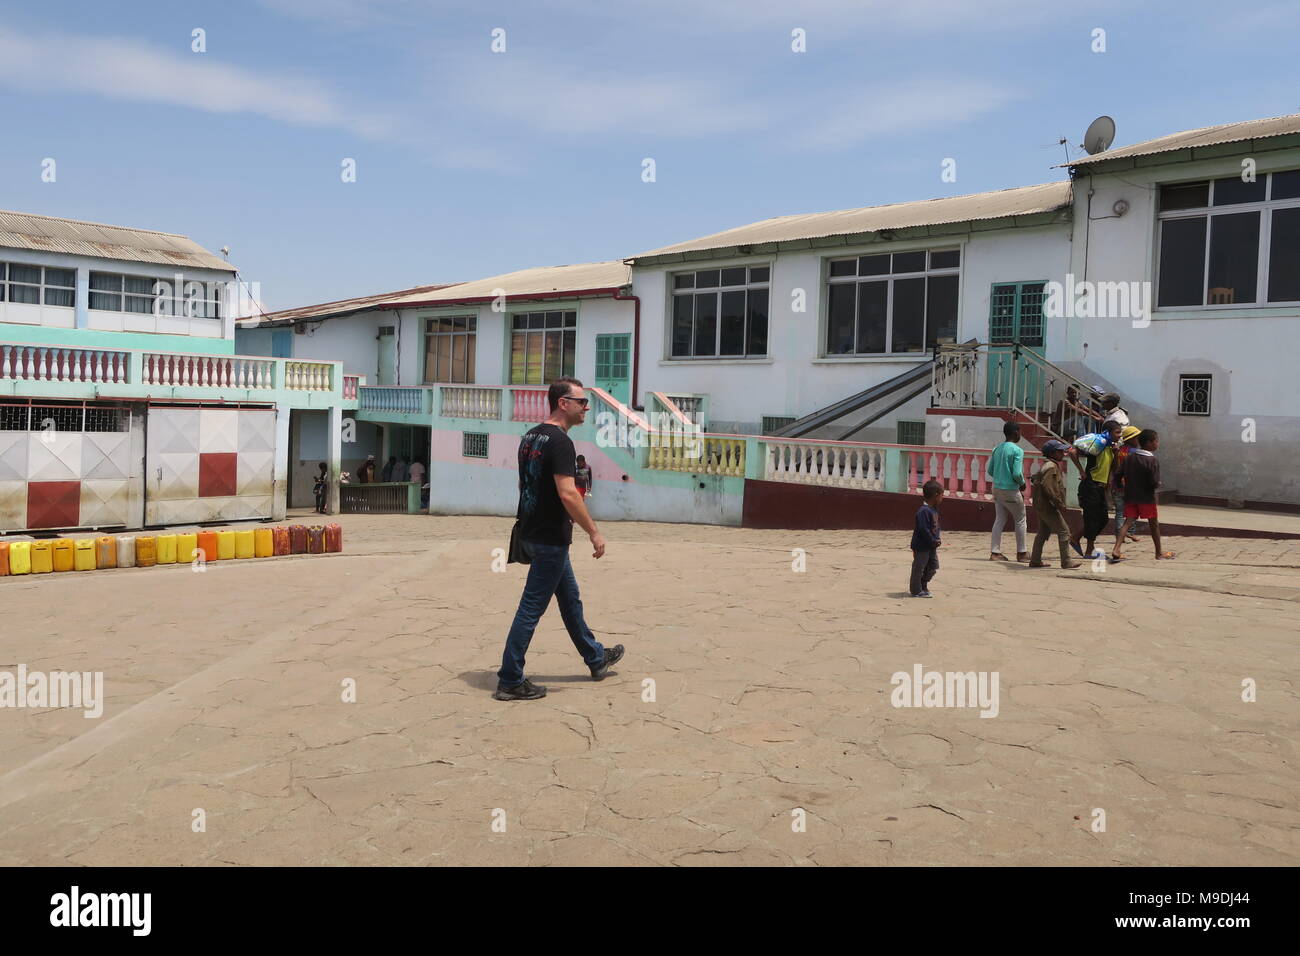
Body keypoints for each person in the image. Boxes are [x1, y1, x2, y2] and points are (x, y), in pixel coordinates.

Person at [495, 377, 624, 702]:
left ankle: (596, 658)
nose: (586, 407)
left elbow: (525, 486)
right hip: (550, 537)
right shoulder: (560, 442)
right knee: (530, 608)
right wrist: (593, 532)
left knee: (570, 599)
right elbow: (568, 493)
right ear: (563, 403)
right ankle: (510, 678)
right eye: (581, 402)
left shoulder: (530, 436)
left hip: (534, 531)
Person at [1112, 429, 1174, 561]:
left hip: (1131, 496)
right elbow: (1154, 481)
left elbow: (1118, 474)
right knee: (1154, 524)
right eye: (1156, 441)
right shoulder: (1152, 460)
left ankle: (1116, 549)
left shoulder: (1129, 457)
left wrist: (1119, 486)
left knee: (1127, 523)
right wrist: (1157, 484)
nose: (1158, 444)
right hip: (1146, 498)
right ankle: (1158, 553)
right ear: (1149, 443)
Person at [1070, 419, 1124, 559]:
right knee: (1092, 518)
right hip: (1090, 486)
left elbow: (1115, 469)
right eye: (1117, 432)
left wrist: (1116, 453)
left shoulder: (1111, 448)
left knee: (1103, 519)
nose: (1119, 435)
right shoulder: (1097, 445)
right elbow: (1072, 451)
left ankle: (1075, 537)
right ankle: (1089, 550)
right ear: (1108, 432)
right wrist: (1081, 471)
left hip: (1101, 488)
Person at [1028, 440, 1081, 569]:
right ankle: (1066, 561)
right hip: (1048, 505)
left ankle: (1035, 559)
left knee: (1043, 532)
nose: (1062, 453)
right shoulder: (1051, 467)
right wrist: (1058, 503)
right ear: (1052, 453)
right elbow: (1049, 487)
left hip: (1041, 504)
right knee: (1064, 531)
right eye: (1059, 451)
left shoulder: (1049, 466)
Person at [987, 421, 1028, 562]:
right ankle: (1022, 553)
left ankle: (995, 552)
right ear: (1016, 432)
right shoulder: (1017, 451)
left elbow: (990, 470)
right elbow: (1017, 473)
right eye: (1020, 432)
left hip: (996, 488)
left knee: (999, 519)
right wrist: (1022, 484)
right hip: (1010, 490)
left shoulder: (997, 449)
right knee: (1020, 519)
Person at [909, 479, 943, 597]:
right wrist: (932, 540)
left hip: (931, 546)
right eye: (941, 496)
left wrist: (937, 539)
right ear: (935, 496)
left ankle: (923, 584)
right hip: (922, 546)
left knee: (933, 566)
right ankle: (916, 590)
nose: (942, 499)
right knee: (919, 567)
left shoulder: (934, 510)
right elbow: (924, 529)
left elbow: (935, 527)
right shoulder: (923, 511)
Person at [1111, 425, 1142, 542]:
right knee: (1132, 511)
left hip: (1117, 484)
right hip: (1131, 485)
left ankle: (1120, 534)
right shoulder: (1135, 452)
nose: (1139, 440)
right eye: (1137, 438)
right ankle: (1130, 532)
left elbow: (1114, 467)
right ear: (1131, 439)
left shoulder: (1118, 451)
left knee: (1119, 512)